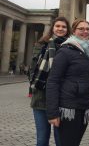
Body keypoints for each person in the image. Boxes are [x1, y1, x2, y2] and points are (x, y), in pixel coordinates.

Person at [46, 19, 89, 146]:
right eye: (81, 29)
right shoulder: (65, 51)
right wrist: (53, 113)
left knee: (75, 143)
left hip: (84, 106)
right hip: (69, 107)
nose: (85, 31)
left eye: (88, 29)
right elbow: (53, 81)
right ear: (74, 31)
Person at [30, 16, 71, 146]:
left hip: (62, 98)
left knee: (61, 140)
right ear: (52, 28)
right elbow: (33, 69)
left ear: (67, 29)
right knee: (42, 139)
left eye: (63, 27)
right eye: (57, 26)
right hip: (40, 98)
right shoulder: (41, 45)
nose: (60, 29)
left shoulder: (70, 47)